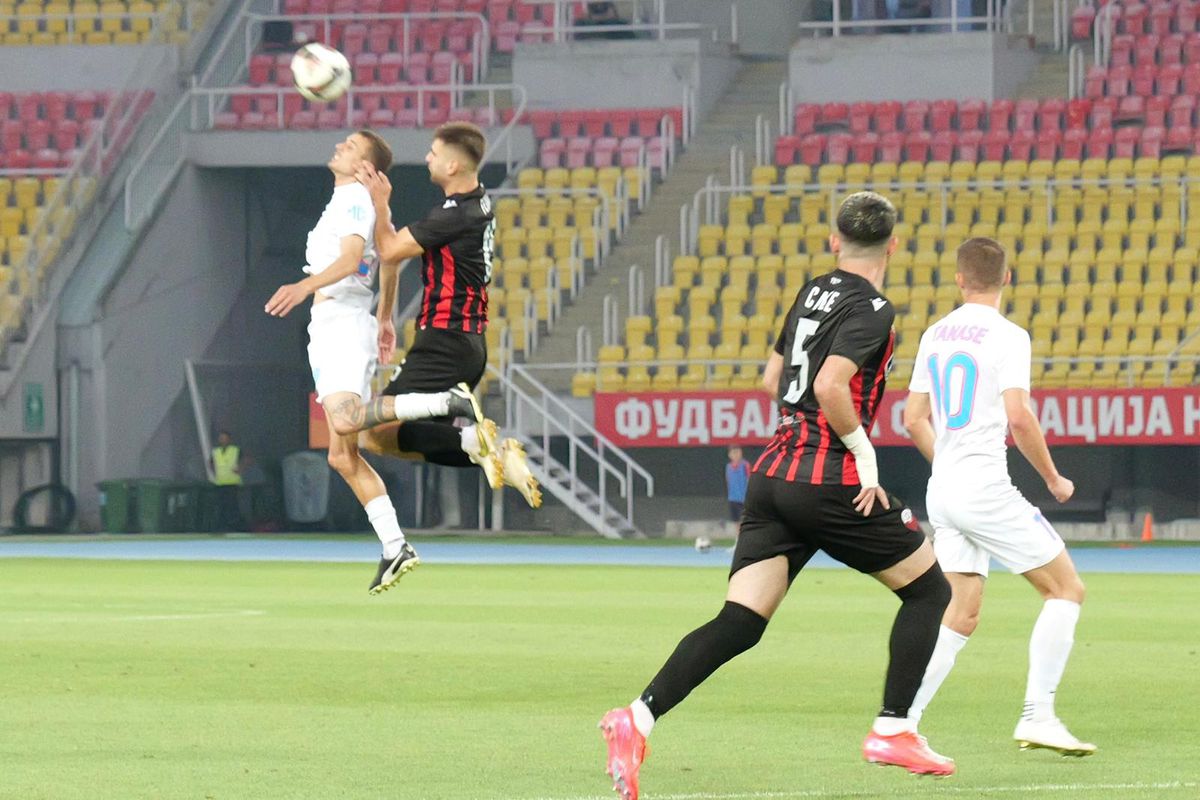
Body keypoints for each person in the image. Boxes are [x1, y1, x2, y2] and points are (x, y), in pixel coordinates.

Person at [598, 192, 955, 800]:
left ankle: (636, 718)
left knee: (740, 621)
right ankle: (893, 727)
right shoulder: (874, 308)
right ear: (893, 246)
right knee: (930, 591)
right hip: (829, 476)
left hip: (774, 471)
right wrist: (864, 455)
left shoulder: (812, 290)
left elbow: (773, 378)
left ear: (833, 241)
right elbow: (830, 383)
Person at [266, 130, 485, 595]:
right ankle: (394, 545)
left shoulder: (351, 200)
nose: (340, 147)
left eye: (350, 146)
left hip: (339, 324)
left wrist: (302, 287)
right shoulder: (358, 202)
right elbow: (387, 262)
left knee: (346, 425)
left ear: (366, 166)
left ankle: (439, 402)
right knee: (342, 453)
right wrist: (384, 317)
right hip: (345, 322)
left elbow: (350, 261)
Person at [901, 237, 1095, 756]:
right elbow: (1019, 416)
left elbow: (912, 417)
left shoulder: (935, 333)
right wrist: (1054, 479)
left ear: (959, 279)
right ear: (1007, 278)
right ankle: (1040, 715)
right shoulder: (1010, 336)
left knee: (960, 612)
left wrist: (946, 466)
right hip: (984, 486)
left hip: (942, 488)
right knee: (1066, 589)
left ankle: (902, 723)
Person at [355, 122, 543, 510]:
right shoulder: (478, 202)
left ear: (454, 166)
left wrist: (379, 201)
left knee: (369, 431)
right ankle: (486, 451)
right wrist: (387, 316)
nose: (427, 158)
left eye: (434, 153)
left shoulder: (456, 214)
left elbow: (389, 251)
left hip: (444, 340)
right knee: (388, 437)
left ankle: (453, 407)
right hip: (466, 344)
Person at [210, 430, 244, 531]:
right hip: (220, 483)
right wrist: (214, 472)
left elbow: (247, 459)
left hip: (232, 483)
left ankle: (234, 527)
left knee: (233, 506)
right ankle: (221, 527)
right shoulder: (216, 452)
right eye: (221, 438)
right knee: (221, 506)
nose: (223, 440)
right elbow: (211, 462)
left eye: (225, 438)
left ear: (229, 439)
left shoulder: (235, 450)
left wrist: (240, 468)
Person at [724, 444, 749, 524]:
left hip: (744, 499)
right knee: (736, 521)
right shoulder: (728, 467)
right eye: (734, 453)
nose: (736, 455)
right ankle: (737, 536)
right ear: (729, 455)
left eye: (738, 452)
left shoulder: (745, 465)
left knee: (744, 520)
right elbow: (728, 481)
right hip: (733, 498)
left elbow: (749, 479)